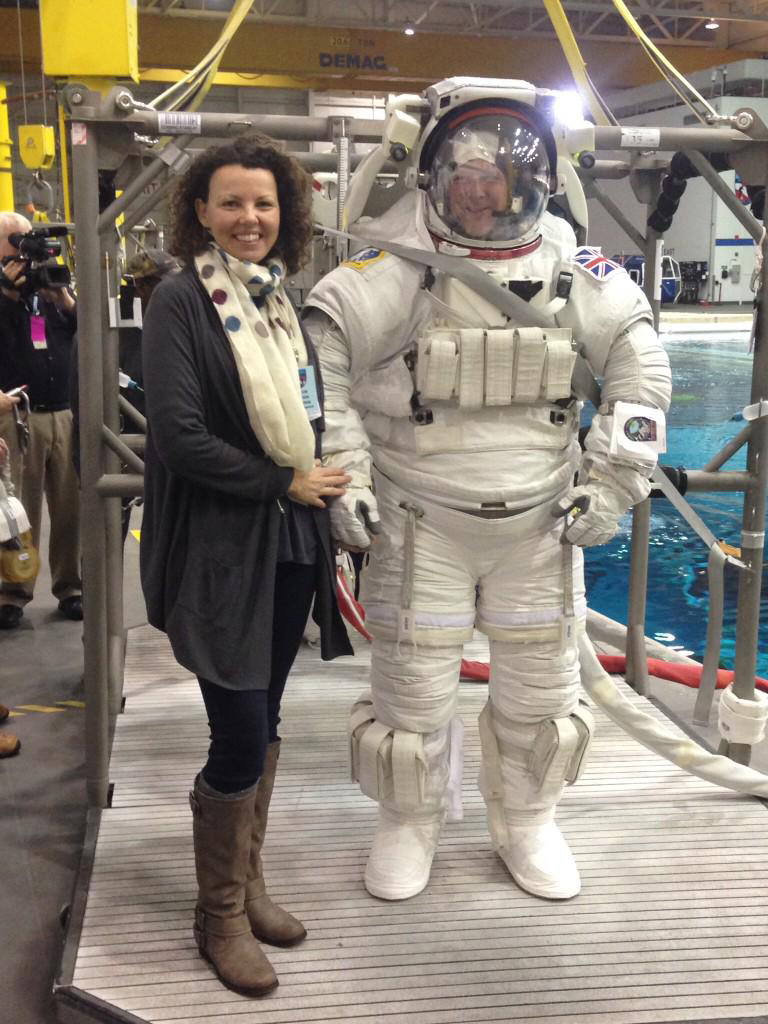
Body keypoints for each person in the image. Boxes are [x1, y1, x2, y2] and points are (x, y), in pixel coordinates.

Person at [304, 78, 672, 903]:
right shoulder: (393, 269)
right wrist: (347, 476)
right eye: (463, 179)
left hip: (542, 521)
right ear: (433, 181)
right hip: (417, 519)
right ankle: (409, 823)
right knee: (412, 690)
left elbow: (640, 371)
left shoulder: (576, 269)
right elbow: (319, 367)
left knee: (542, 694)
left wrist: (612, 482)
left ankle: (529, 820)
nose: (480, 196)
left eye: (496, 180)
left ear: (530, 183)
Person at [139, 134, 353, 997]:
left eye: (263, 204)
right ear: (200, 210)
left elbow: (309, 410)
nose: (249, 218)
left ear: (284, 215)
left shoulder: (279, 303)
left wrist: (315, 483)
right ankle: (217, 913)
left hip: (288, 541)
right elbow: (178, 437)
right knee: (235, 729)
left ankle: (247, 881)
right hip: (225, 548)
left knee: (264, 723)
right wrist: (283, 479)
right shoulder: (181, 304)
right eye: (231, 202)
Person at [0, 211, 82, 629]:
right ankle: (13, 593)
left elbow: (83, 330)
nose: (24, 249)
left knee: (69, 508)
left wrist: (64, 299)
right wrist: (7, 298)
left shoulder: (48, 285)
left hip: (63, 413)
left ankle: (71, 587)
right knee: (18, 509)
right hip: (17, 418)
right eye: (15, 241)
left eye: (28, 239)